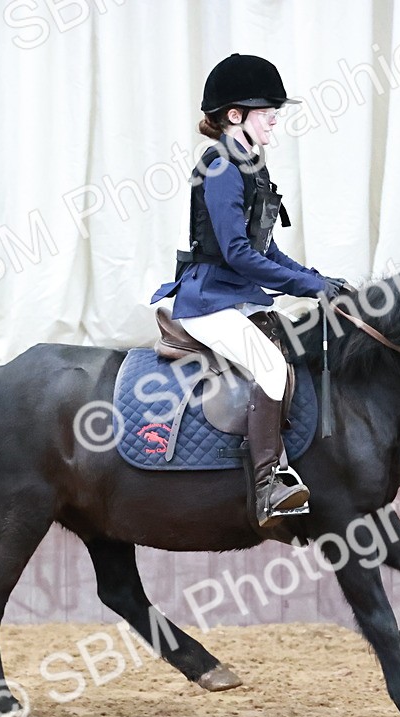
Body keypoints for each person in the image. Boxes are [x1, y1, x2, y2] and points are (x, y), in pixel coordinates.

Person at [150, 53, 347, 529]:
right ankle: (268, 485)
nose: (275, 119)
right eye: (266, 112)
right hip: (207, 301)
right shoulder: (219, 167)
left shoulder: (250, 165)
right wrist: (305, 286)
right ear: (234, 115)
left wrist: (319, 281)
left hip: (235, 297)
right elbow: (238, 254)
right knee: (271, 364)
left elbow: (268, 250)